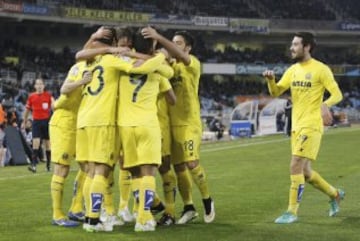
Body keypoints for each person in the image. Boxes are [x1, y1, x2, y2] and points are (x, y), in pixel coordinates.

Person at [76, 26, 168, 232]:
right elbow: (146, 68)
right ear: (114, 45)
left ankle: (101, 215)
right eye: (121, 45)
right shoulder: (117, 61)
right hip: (107, 121)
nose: (123, 49)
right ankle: (100, 218)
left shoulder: (92, 61)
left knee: (94, 172)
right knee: (106, 171)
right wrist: (154, 56)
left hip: (87, 119)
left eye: (127, 46)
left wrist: (95, 40)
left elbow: (79, 54)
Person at [262, 32, 344, 224]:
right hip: (296, 126)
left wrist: (325, 105)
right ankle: (335, 194)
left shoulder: (321, 69)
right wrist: (270, 80)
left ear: (307, 47)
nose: (292, 48)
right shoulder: (292, 70)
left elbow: (337, 94)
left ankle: (292, 211)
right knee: (305, 172)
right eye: (292, 44)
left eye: (296, 44)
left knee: (295, 164)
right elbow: (276, 92)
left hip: (312, 124)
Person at [142, 27, 215, 224]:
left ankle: (207, 199)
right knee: (178, 167)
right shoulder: (169, 66)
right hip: (170, 124)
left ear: (188, 48)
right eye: (172, 42)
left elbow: (178, 56)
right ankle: (189, 206)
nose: (174, 46)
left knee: (192, 163)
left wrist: (159, 37)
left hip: (189, 123)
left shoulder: (193, 64)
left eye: (179, 43)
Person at [118, 28, 176, 231]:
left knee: (134, 173)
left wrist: (132, 55)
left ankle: (136, 213)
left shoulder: (122, 64)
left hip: (125, 126)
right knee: (148, 173)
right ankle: (144, 218)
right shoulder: (158, 68)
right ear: (152, 47)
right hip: (148, 125)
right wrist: (160, 56)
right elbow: (171, 77)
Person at [49, 63, 92, 227]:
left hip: (79, 121)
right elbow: (65, 89)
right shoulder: (79, 67)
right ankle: (57, 215)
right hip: (64, 121)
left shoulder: (99, 66)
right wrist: (82, 81)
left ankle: (76, 208)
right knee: (62, 168)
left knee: (87, 166)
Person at [23, 78, 54, 173]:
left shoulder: (48, 96)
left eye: (41, 84)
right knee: (35, 143)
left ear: (44, 86)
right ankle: (33, 166)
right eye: (37, 84)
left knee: (47, 145)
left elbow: (54, 107)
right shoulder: (31, 97)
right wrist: (24, 121)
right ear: (35, 86)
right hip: (36, 122)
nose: (39, 86)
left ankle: (48, 166)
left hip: (46, 122)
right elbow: (27, 110)